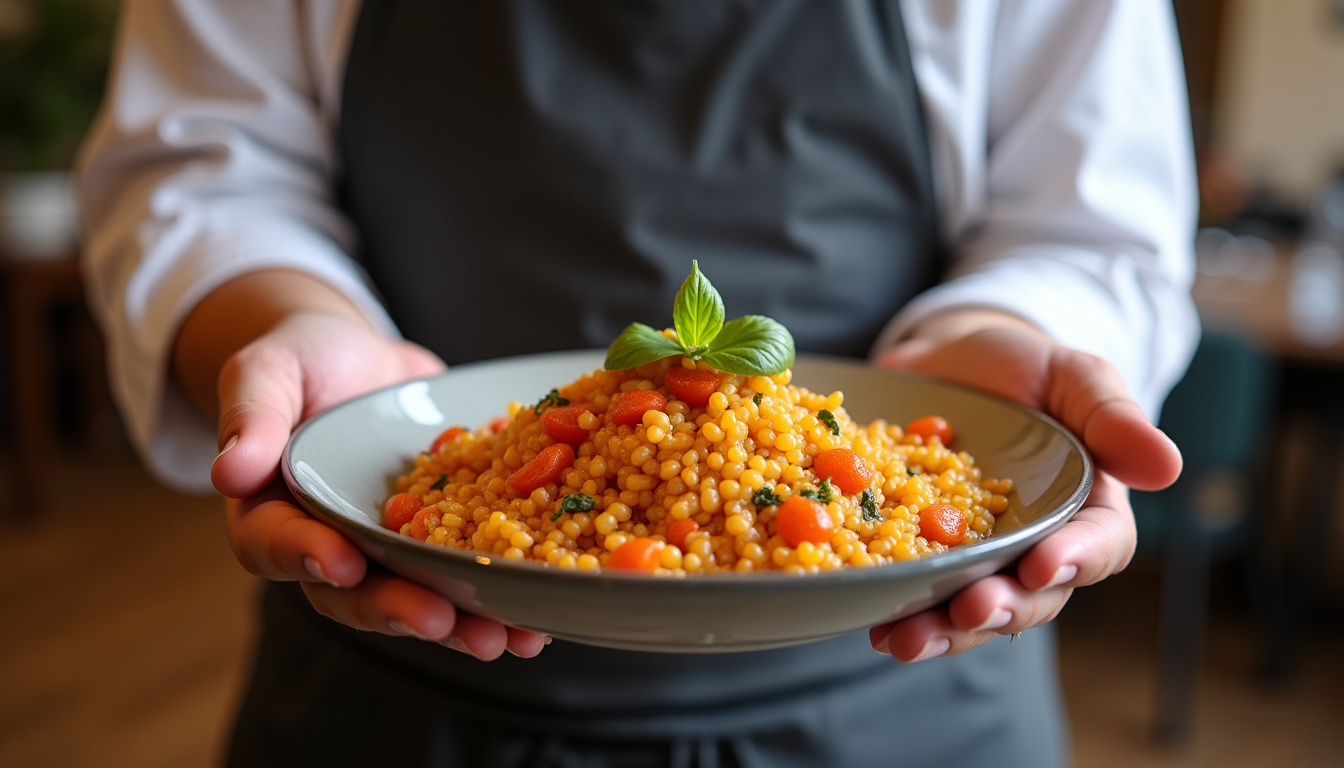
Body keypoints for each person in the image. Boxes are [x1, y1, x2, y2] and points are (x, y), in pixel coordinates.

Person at [76, 0, 1196, 765]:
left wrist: (1013, 339)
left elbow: (1087, 221)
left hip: (907, 690)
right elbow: (203, 172)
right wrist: (292, 323)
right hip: (397, 681)